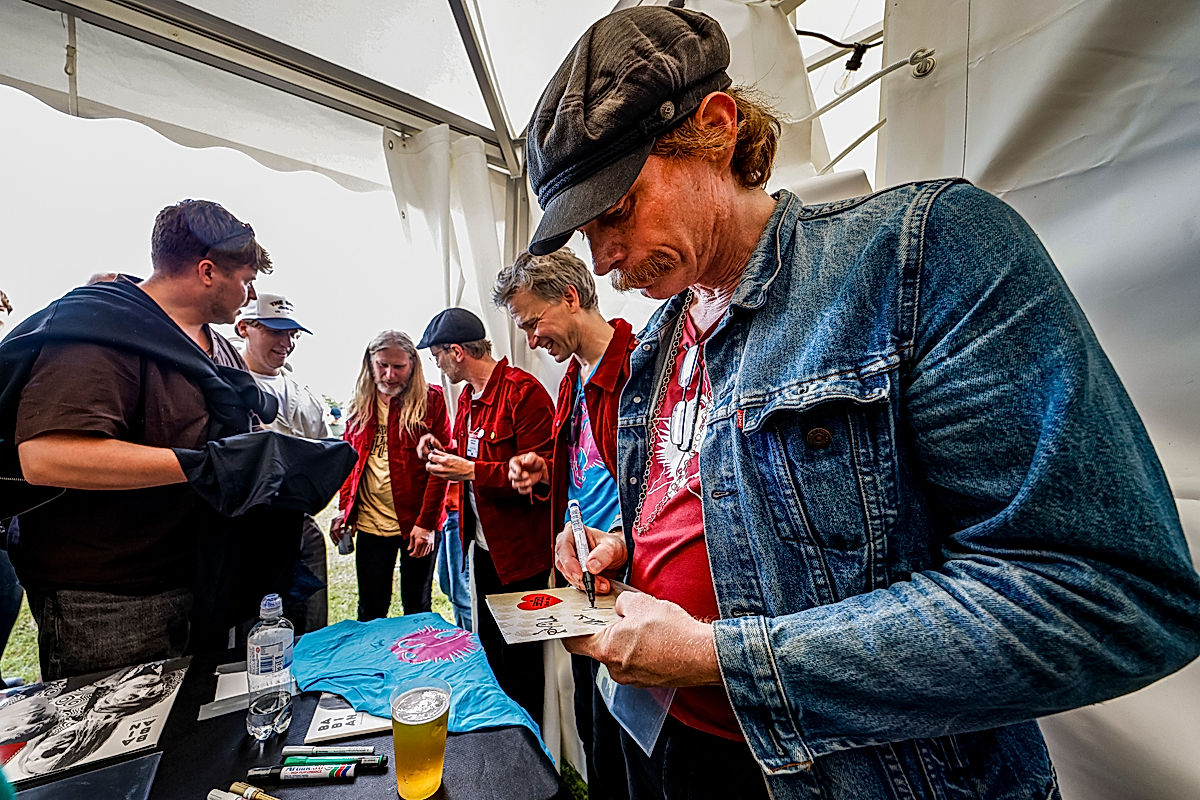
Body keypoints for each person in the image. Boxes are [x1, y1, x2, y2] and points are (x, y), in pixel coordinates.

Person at [526, 8, 1200, 800]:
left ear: (715, 128)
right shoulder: (660, 337)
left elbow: (1102, 595)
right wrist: (629, 551)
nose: (605, 260)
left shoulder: (921, 252)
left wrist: (724, 658)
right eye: (586, 233)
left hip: (866, 775)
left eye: (618, 209)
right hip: (679, 745)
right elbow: (727, 512)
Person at [0, 199, 275, 680]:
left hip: (199, 577)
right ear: (207, 271)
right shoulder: (100, 331)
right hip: (108, 599)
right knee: (116, 730)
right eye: (246, 280)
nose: (249, 295)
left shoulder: (219, 348)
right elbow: (46, 456)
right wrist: (201, 466)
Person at [496, 248, 635, 799]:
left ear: (571, 298)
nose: (532, 340)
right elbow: (589, 466)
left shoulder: (638, 363)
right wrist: (545, 471)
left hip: (626, 578)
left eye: (534, 322)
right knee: (591, 715)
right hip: (582, 579)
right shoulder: (572, 378)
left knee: (628, 733)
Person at [415, 308, 555, 723]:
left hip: (520, 556)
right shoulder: (468, 399)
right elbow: (470, 458)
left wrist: (470, 470)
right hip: (482, 548)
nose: (438, 366)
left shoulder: (522, 393)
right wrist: (442, 452)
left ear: (457, 352)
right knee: (492, 651)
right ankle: (501, 738)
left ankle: (528, 747)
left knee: (522, 663)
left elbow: (542, 476)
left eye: (437, 356)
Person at [333, 330, 450, 620]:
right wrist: (344, 509)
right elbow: (350, 464)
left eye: (398, 367)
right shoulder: (359, 403)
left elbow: (441, 470)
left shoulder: (432, 399)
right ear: (370, 363)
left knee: (417, 607)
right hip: (371, 525)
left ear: (413, 365)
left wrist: (427, 524)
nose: (389, 375)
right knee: (370, 608)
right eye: (382, 365)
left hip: (416, 524)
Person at [235, 292, 330, 634]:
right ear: (244, 327)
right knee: (250, 632)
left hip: (299, 526)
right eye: (275, 331)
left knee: (311, 629)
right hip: (245, 531)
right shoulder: (226, 384)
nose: (286, 343)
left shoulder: (304, 395)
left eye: (292, 334)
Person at [435, 484, 471, 630]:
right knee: (447, 585)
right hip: (444, 510)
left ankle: (473, 639)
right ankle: (462, 633)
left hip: (459, 510)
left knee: (461, 591)